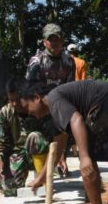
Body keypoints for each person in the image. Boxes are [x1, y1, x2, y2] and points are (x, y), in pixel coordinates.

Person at [26, 23, 75, 176]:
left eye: (57, 39)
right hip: (41, 107)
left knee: (67, 128)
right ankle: (40, 168)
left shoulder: (69, 62)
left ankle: (61, 160)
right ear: (44, 41)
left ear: (62, 41)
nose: (54, 43)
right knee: (39, 137)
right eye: (51, 39)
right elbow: (30, 90)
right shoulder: (36, 61)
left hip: (60, 108)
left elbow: (71, 88)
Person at [0, 78, 49, 196]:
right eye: (11, 100)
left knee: (35, 137)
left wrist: (60, 155)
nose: (14, 104)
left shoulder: (36, 107)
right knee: (11, 191)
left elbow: (53, 135)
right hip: (17, 156)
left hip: (41, 153)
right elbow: (1, 142)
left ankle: (43, 179)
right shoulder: (5, 112)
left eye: (17, 99)